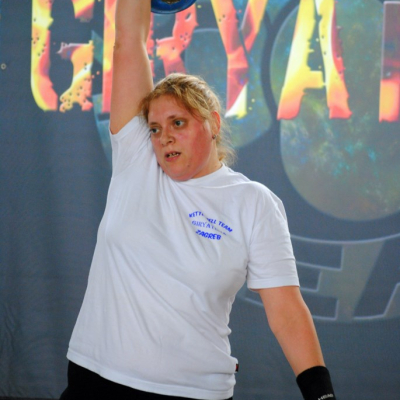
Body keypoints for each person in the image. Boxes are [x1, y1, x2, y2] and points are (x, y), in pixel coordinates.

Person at [60, 1, 336, 399]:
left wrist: (321, 394)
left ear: (213, 123)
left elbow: (287, 313)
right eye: (155, 128)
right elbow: (128, 42)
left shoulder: (253, 203)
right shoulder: (137, 162)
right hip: (96, 382)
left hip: (194, 392)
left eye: (179, 123)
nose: (164, 137)